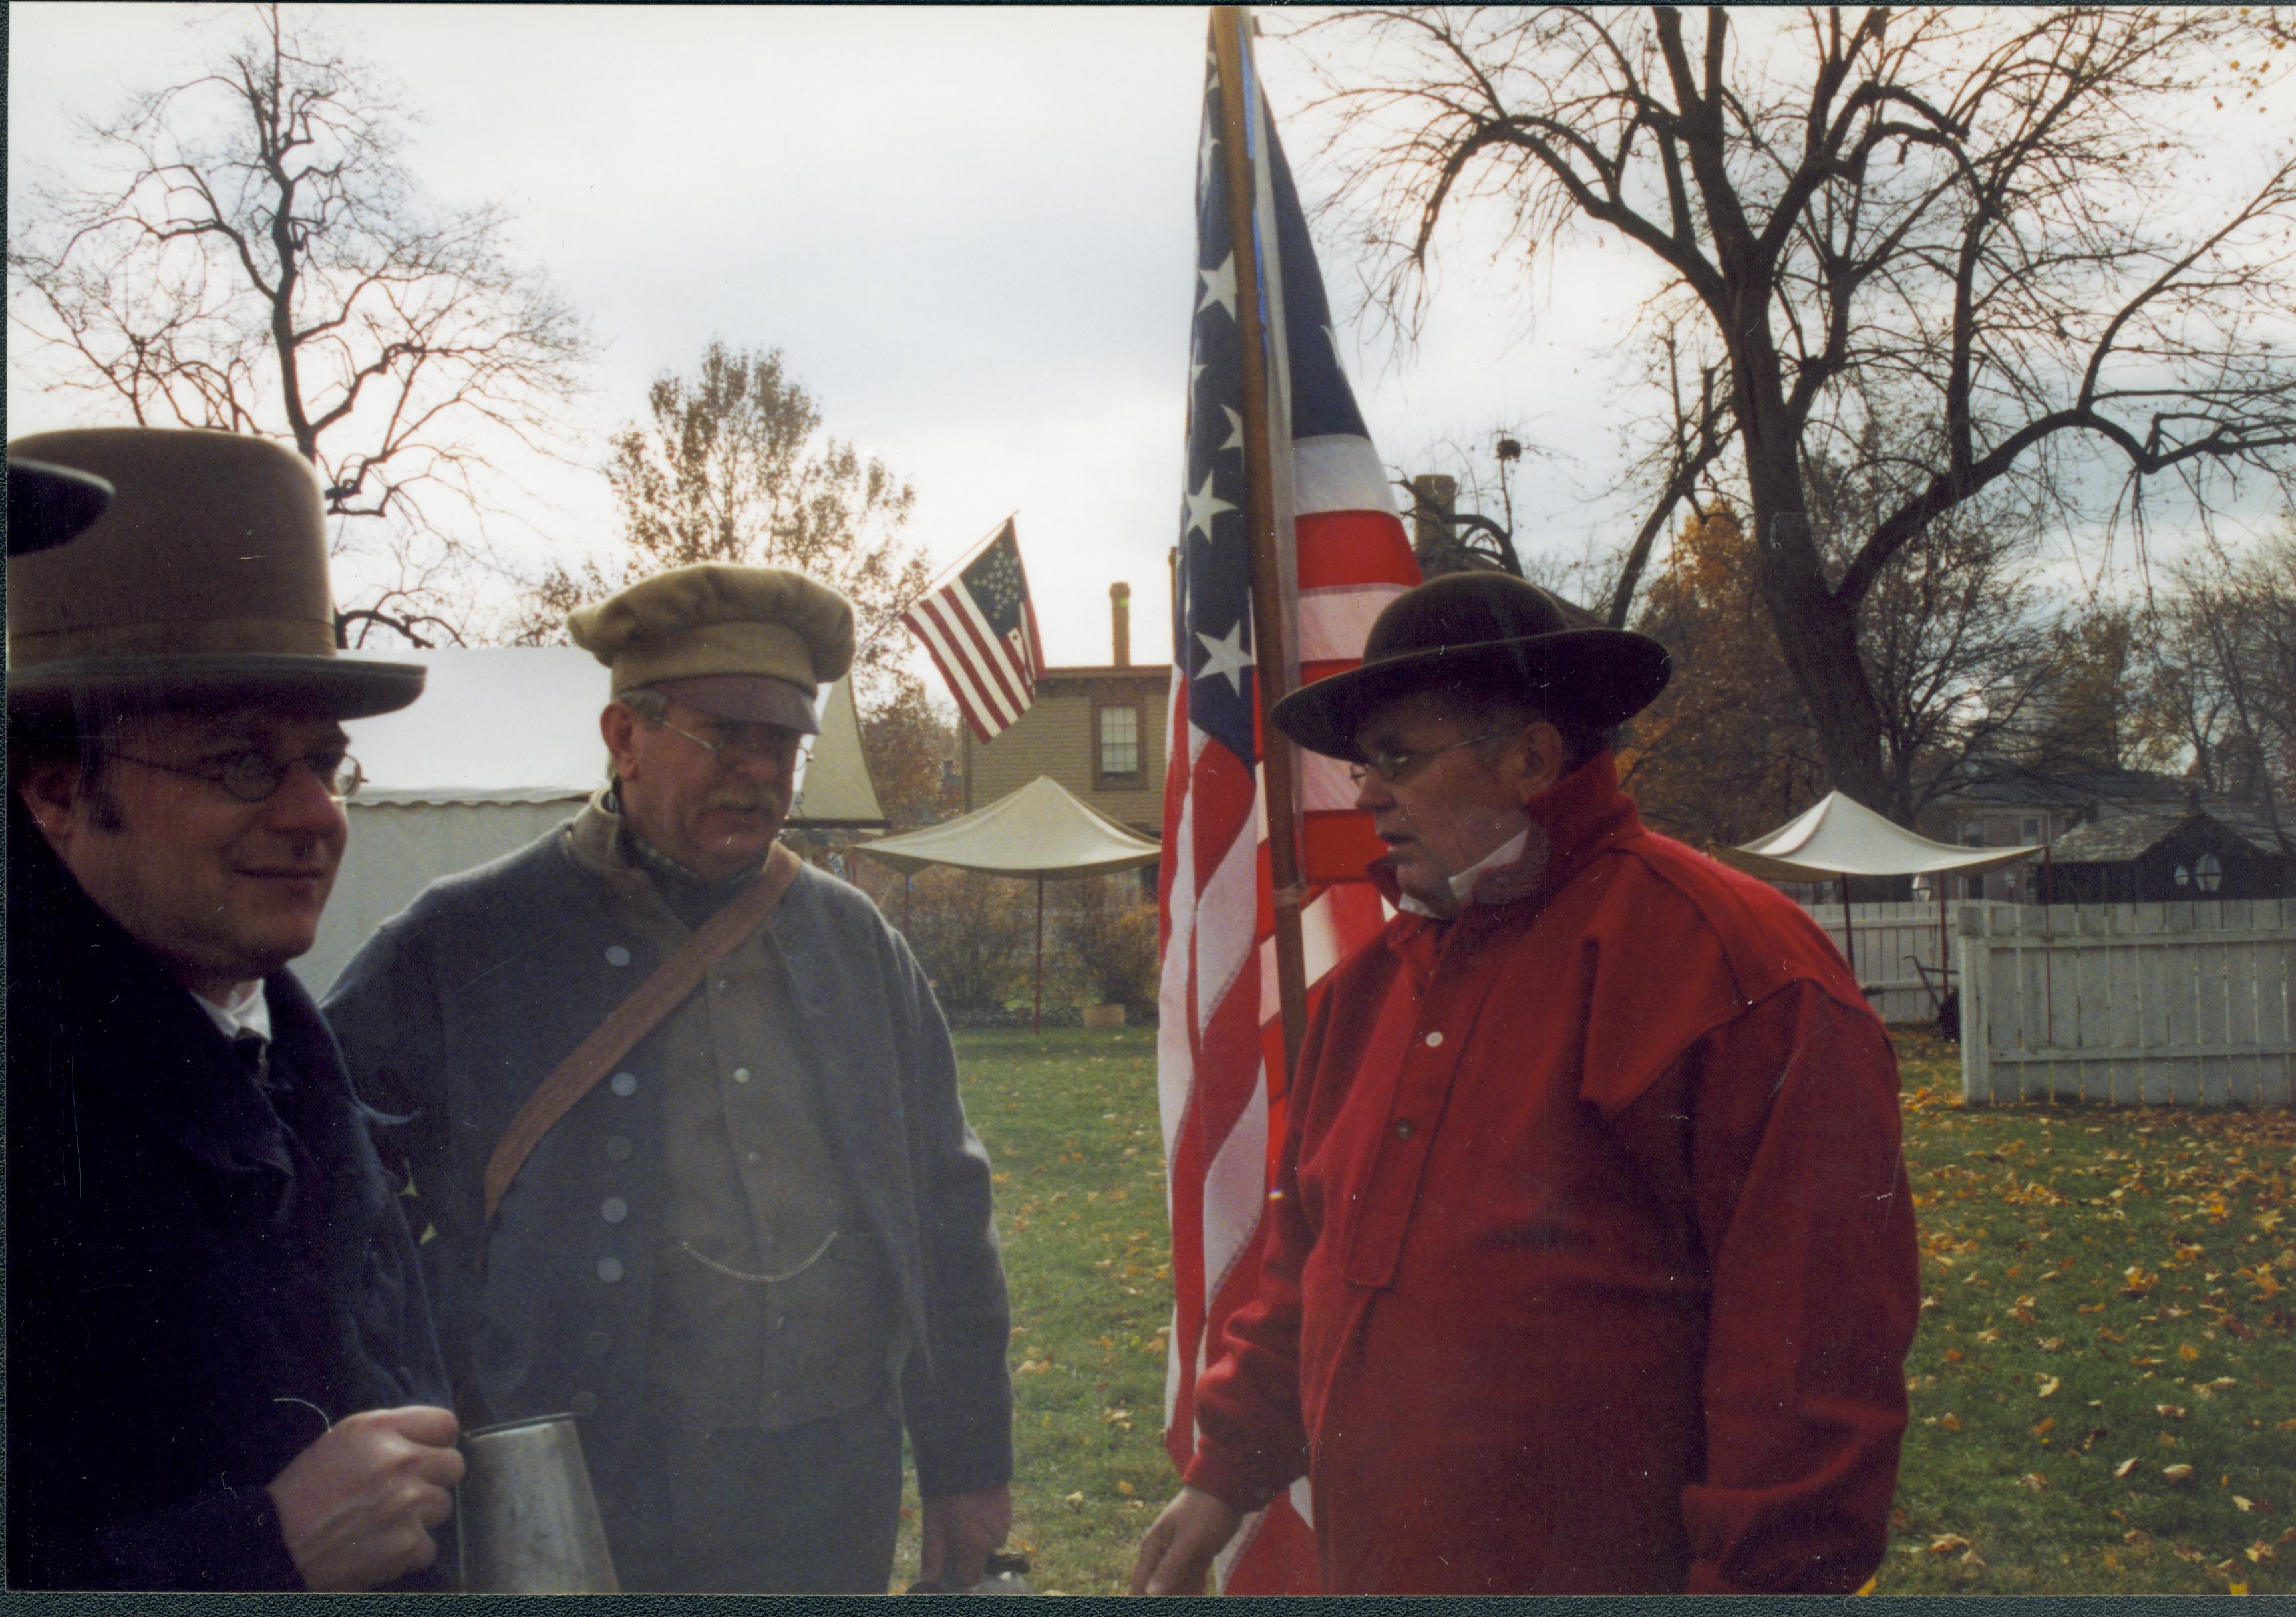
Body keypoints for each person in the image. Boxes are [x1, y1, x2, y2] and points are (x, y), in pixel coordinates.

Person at [1131, 571, 1921, 1596]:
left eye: (1397, 757)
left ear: (1532, 759)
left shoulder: (1739, 974)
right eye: (1363, 762)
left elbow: (1812, 1367)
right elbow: (1308, 1266)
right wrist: (1223, 1476)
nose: (1365, 792)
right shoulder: (1372, 987)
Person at [323, 563, 1015, 1594]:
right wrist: (449, 1356)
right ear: (624, 737)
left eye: (780, 740)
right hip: (591, 1495)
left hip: (831, 1484)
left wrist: (968, 1465)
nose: (756, 770)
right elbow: (325, 1185)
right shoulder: (464, 937)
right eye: (721, 733)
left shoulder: (854, 941)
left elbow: (947, 1213)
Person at [6, 427, 461, 1591]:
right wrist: (260, 1550)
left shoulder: (289, 1058)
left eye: (326, 757)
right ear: (59, 793)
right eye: (241, 765)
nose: (315, 814)